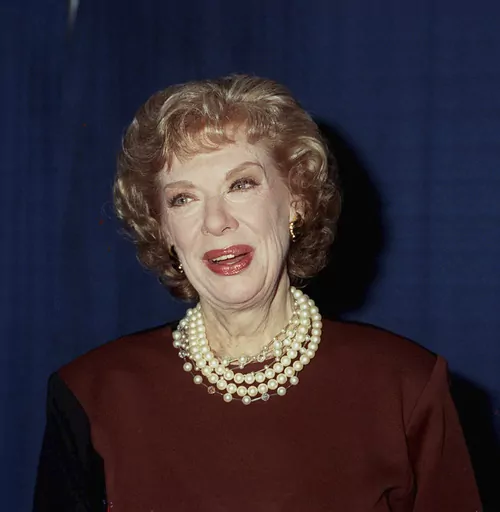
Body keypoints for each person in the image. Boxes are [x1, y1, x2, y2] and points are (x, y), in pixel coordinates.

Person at [34, 75, 482, 511]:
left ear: (297, 201)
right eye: (183, 199)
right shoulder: (93, 394)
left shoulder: (406, 387)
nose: (216, 222)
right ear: (163, 229)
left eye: (241, 185)